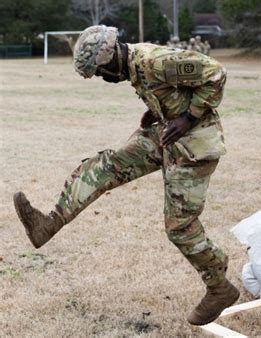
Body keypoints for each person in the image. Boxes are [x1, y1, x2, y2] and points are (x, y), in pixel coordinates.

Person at [13, 25, 239, 325]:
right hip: (165, 134)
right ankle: (49, 224)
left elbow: (216, 74)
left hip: (194, 145)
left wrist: (188, 117)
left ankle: (219, 288)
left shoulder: (155, 61)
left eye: (100, 73)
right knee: (107, 165)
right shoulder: (133, 67)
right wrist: (158, 112)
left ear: (109, 60)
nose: (103, 79)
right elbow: (171, 91)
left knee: (180, 227)